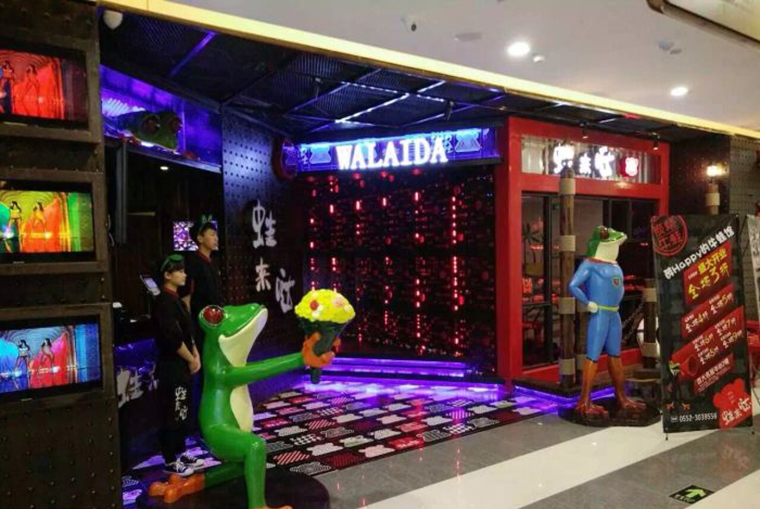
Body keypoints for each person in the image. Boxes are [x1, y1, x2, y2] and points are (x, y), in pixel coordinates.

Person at [152, 254, 205, 477]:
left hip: (182, 365)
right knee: (171, 412)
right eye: (180, 271)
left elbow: (187, 332)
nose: (184, 274)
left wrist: (195, 353)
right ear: (167, 275)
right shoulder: (163, 301)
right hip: (171, 366)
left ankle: (181, 451)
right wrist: (191, 358)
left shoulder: (177, 300)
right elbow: (172, 338)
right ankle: (169, 459)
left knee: (182, 409)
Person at [180, 216, 223, 353]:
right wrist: (189, 328)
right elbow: (186, 297)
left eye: (216, 235)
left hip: (214, 320)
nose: (216, 238)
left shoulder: (212, 262)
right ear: (200, 238)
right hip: (200, 323)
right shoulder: (193, 263)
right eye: (212, 234)